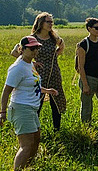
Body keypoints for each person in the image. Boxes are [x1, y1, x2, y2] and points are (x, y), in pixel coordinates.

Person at [1, 36, 57, 171]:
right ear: (22, 49)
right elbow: (6, 91)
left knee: (36, 140)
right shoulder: (17, 68)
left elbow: (32, 84)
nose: (35, 51)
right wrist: (2, 112)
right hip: (21, 108)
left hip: (31, 108)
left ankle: (28, 167)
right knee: (26, 145)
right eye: (32, 48)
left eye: (37, 47)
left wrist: (46, 90)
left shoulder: (29, 64)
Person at [10, 12, 67, 131]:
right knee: (37, 100)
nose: (51, 24)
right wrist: (32, 63)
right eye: (48, 21)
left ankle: (57, 129)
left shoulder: (53, 37)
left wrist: (55, 54)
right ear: (41, 23)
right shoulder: (32, 38)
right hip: (38, 73)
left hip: (54, 72)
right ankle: (34, 128)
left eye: (52, 21)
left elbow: (62, 46)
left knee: (56, 100)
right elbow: (15, 52)